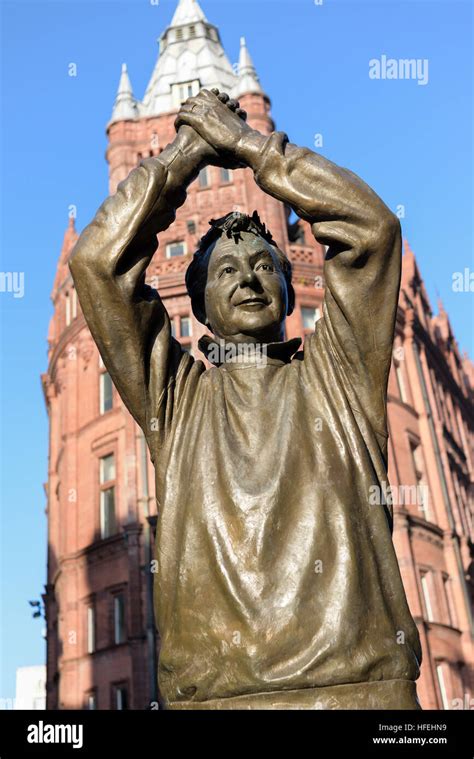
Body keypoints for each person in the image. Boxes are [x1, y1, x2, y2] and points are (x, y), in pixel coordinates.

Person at [70, 88, 422, 710]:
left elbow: (373, 230)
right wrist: (185, 156)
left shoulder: (340, 376)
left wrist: (249, 147)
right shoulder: (176, 402)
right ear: (198, 306)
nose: (250, 277)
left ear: (290, 292)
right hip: (218, 699)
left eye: (266, 265)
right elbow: (98, 263)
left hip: (361, 695)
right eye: (227, 270)